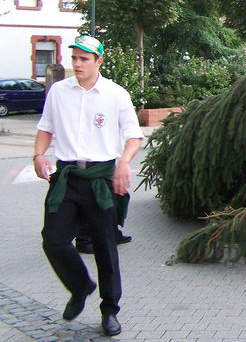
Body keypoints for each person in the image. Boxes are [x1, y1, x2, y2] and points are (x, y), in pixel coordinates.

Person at [33, 35, 143, 336]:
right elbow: (46, 127)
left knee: (105, 248)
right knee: (53, 240)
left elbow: (134, 135)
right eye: (75, 58)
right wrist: (39, 153)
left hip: (100, 180)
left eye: (85, 58)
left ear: (99, 61)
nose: (78, 63)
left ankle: (110, 310)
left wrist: (123, 162)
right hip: (67, 177)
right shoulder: (58, 91)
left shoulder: (115, 94)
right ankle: (80, 287)